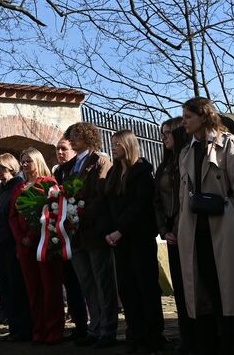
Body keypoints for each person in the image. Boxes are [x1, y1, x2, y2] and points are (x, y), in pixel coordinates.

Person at [177, 97, 234, 355]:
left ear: (203, 116)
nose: (184, 122)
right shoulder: (186, 150)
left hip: (226, 226)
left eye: (188, 116)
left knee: (233, 291)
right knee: (209, 290)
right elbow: (182, 194)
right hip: (195, 230)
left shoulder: (229, 144)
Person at [102, 130, 164, 353]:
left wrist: (120, 230)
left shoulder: (141, 172)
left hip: (138, 238)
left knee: (145, 286)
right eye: (112, 144)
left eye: (117, 144)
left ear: (128, 145)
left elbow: (140, 206)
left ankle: (152, 335)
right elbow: (108, 204)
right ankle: (135, 333)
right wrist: (110, 231)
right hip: (119, 241)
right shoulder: (114, 173)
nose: (113, 147)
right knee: (127, 288)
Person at [61, 122, 115, 348]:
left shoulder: (99, 161)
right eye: (70, 136)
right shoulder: (71, 165)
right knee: (87, 283)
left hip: (94, 230)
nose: (72, 139)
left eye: (76, 135)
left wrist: (81, 212)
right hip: (76, 233)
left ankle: (108, 330)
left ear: (88, 136)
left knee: (102, 282)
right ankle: (94, 328)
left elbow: (103, 195)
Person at [9, 148, 65, 345]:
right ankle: (38, 330)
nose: (24, 165)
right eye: (22, 161)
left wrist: (32, 236)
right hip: (24, 247)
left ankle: (54, 330)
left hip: (45, 244)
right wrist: (20, 238)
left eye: (28, 161)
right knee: (33, 290)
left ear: (38, 162)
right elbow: (13, 216)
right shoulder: (19, 187)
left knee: (50, 288)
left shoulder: (48, 184)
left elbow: (51, 211)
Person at [152, 118, 194, 355]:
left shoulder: (185, 159)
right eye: (162, 133)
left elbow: (184, 198)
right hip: (170, 233)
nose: (164, 137)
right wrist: (164, 230)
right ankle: (186, 336)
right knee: (178, 288)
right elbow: (158, 198)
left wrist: (179, 228)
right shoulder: (165, 164)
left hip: (185, 231)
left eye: (168, 132)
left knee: (192, 288)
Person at [0, 153, 31, 342]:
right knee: (5, 287)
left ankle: (23, 328)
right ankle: (14, 328)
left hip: (12, 244)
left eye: (2, 167)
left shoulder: (17, 187)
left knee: (17, 288)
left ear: (11, 168)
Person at [53, 137, 88, 340]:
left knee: (81, 280)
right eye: (57, 149)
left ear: (73, 151)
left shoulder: (77, 169)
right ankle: (78, 325)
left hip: (78, 231)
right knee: (70, 281)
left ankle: (88, 325)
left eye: (64, 149)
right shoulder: (58, 172)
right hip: (62, 233)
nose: (60, 152)